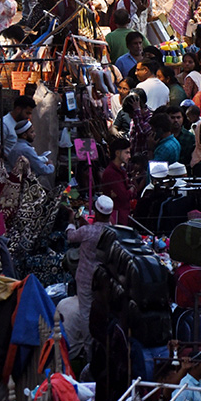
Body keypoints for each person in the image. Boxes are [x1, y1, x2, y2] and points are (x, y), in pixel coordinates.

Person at [68, 196, 113, 333]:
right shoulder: (113, 232)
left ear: (96, 212)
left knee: (86, 313)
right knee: (102, 313)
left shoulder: (87, 231)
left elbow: (71, 237)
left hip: (86, 278)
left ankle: (88, 348)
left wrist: (71, 222)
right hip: (104, 280)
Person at [99, 137, 134, 224]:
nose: (129, 156)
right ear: (117, 153)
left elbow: (132, 189)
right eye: (126, 153)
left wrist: (131, 189)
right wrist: (131, 190)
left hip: (124, 214)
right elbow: (124, 196)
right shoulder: (111, 173)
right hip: (116, 217)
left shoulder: (122, 170)